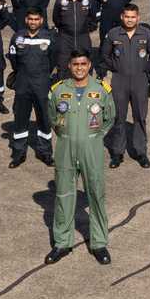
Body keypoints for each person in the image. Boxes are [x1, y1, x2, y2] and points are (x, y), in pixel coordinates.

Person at [44, 52, 115, 266]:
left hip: (91, 146)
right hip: (65, 146)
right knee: (64, 193)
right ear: (69, 65)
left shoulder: (101, 89)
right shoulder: (58, 90)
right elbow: (52, 117)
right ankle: (62, 242)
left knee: (95, 192)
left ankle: (99, 243)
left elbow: (109, 117)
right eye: (76, 64)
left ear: (89, 65)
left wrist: (94, 137)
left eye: (84, 64)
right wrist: (66, 134)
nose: (80, 68)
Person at [100, 4, 150, 169]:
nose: (130, 19)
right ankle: (117, 153)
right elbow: (105, 54)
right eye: (127, 16)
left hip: (140, 80)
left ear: (138, 18)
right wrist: (116, 68)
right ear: (122, 17)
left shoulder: (146, 34)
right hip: (119, 80)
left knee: (140, 116)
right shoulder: (113, 34)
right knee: (118, 117)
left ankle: (141, 152)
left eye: (133, 17)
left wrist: (144, 69)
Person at [7, 8, 59, 167]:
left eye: (36, 19)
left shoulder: (49, 38)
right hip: (22, 82)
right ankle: (18, 153)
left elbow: (53, 59)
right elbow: (13, 59)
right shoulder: (17, 37)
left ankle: (45, 152)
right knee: (20, 118)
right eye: (30, 19)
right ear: (26, 20)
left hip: (41, 83)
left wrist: (43, 76)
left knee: (44, 118)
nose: (33, 22)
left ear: (41, 21)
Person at [52, 0, 96, 77]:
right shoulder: (61, 0)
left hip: (83, 37)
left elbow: (93, 18)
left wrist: (85, 29)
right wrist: (65, 29)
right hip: (65, 38)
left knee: (85, 65)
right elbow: (56, 19)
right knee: (63, 65)